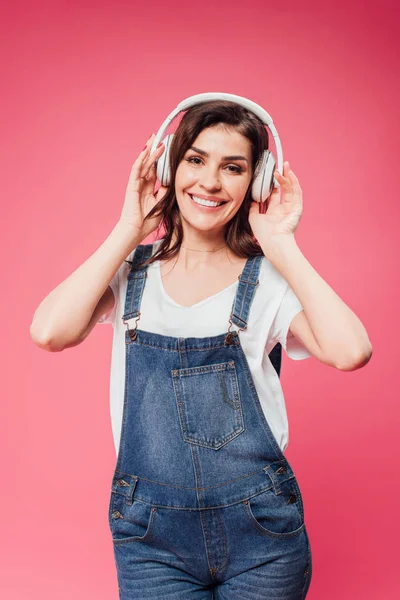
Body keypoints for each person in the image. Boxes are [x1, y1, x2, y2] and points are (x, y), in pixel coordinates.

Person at [30, 96, 373, 599]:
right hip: (151, 539)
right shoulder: (131, 275)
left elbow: (352, 351)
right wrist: (130, 228)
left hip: (262, 535)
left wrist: (281, 244)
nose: (210, 183)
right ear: (170, 166)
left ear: (256, 181)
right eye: (195, 159)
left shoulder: (269, 281)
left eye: (233, 168)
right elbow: (49, 332)